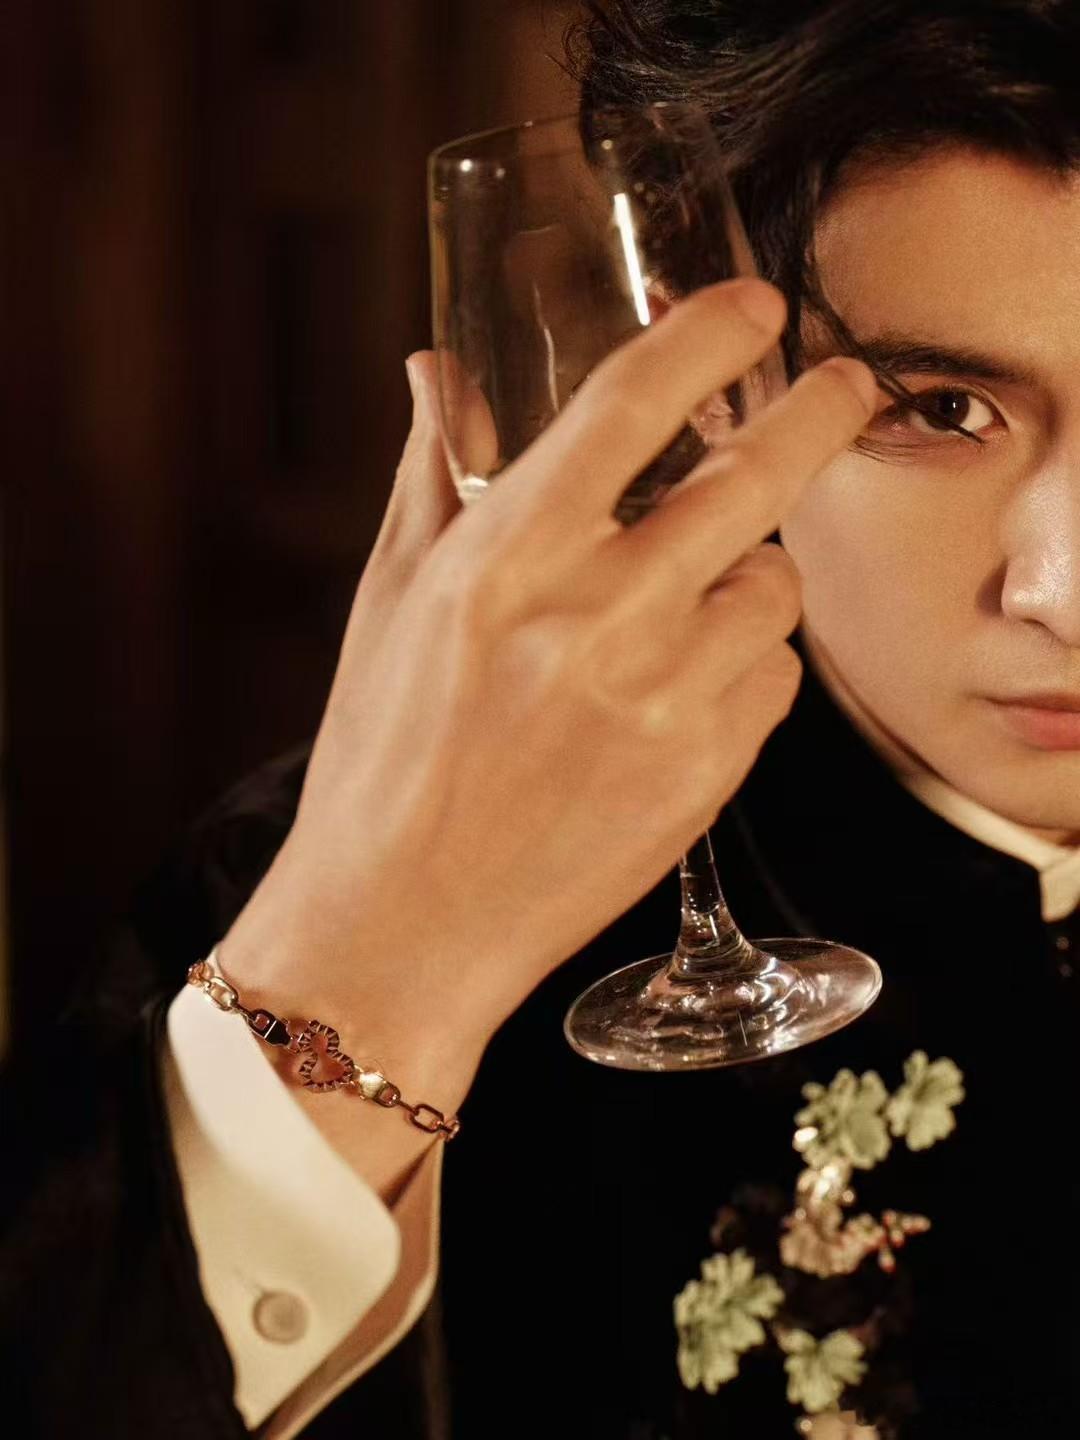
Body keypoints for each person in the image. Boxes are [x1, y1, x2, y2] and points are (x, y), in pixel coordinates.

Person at [5, 0, 1080, 1436]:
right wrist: (368, 972)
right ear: (718, 394)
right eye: (940, 408)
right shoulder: (309, 894)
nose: (1062, 593)